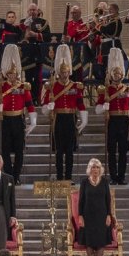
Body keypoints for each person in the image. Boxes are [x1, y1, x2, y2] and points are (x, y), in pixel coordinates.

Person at [0, 45, 34, 180]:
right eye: (10, 74)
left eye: (14, 73)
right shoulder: (0, 87)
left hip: (18, 120)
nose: (12, 76)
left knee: (19, 151)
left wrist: (33, 121)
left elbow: (30, 105)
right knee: (4, 150)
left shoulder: (22, 87)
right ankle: (9, 175)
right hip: (4, 121)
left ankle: (17, 176)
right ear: (6, 73)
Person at [96, 47, 129, 184]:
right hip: (112, 120)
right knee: (112, 150)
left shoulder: (128, 88)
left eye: (119, 74)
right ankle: (113, 176)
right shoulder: (106, 90)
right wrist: (104, 107)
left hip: (124, 121)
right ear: (111, 74)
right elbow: (97, 109)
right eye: (115, 74)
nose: (117, 76)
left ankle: (122, 176)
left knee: (123, 151)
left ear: (122, 75)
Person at [45, 45, 87, 180]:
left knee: (69, 151)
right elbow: (45, 106)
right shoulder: (52, 86)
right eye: (62, 72)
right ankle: (59, 177)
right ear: (59, 72)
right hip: (58, 119)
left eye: (66, 72)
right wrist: (49, 106)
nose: (64, 74)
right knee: (58, 151)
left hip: (70, 118)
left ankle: (68, 177)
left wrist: (84, 120)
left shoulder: (75, 86)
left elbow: (80, 104)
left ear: (69, 72)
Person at [72, 158, 119, 256]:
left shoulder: (104, 182)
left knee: (101, 241)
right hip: (87, 216)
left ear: (100, 169)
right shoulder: (84, 182)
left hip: (102, 216)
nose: (95, 170)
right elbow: (81, 200)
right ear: (89, 169)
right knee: (89, 241)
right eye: (93, 167)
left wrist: (109, 215)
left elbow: (108, 199)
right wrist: (80, 216)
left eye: (97, 167)